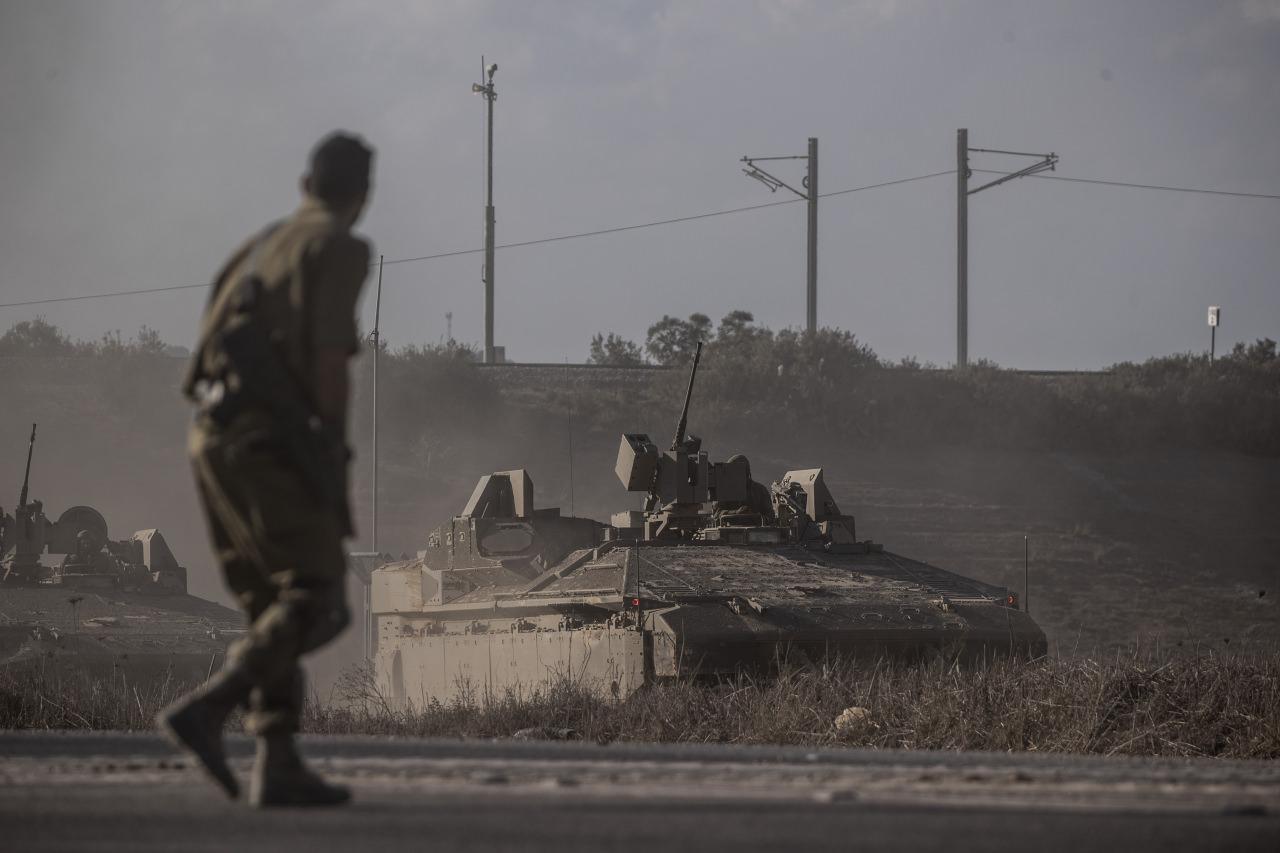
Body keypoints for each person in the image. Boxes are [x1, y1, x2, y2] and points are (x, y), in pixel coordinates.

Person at [159, 132, 374, 808]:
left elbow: (207, 347)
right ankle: (209, 706)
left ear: (305, 183)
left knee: (270, 606)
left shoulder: (257, 246)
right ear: (359, 197)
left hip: (212, 434)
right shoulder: (338, 245)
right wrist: (331, 460)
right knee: (320, 598)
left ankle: (276, 761)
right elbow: (330, 363)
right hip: (269, 439)